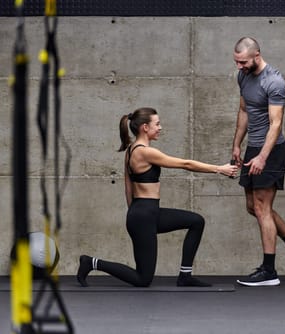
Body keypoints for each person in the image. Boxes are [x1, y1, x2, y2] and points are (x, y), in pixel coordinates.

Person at [76, 107, 238, 287]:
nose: (160, 128)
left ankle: (185, 275)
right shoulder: (145, 152)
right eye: (157, 124)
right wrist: (219, 169)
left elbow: (128, 186)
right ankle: (91, 262)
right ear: (145, 127)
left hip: (144, 213)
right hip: (144, 216)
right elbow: (186, 164)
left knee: (196, 221)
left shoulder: (131, 150)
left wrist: (134, 213)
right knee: (143, 279)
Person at [231, 37, 285, 286]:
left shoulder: (274, 82)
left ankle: (269, 271)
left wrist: (263, 157)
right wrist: (237, 144)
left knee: (262, 208)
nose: (239, 66)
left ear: (257, 55)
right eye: (236, 62)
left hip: (272, 149)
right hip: (253, 147)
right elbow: (245, 110)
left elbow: (276, 124)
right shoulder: (243, 77)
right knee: (252, 207)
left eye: (243, 62)